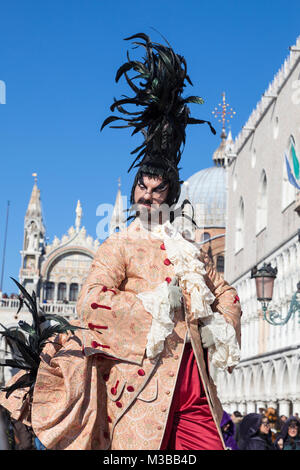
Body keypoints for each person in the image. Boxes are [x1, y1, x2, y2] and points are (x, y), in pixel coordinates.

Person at [0, 32, 241, 450]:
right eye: (141, 189)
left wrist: (220, 319)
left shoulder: (192, 247)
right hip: (140, 391)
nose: (148, 197)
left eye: (158, 190)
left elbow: (223, 292)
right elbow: (91, 300)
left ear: (172, 195)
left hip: (194, 387)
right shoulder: (119, 245)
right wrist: (154, 305)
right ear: (133, 193)